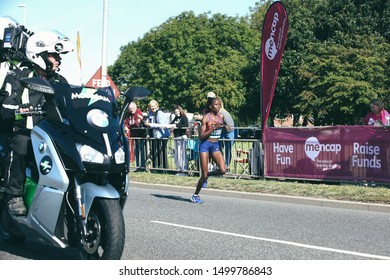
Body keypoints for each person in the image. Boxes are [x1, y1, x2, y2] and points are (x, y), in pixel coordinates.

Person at [0, 30, 73, 216]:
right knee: (21, 141)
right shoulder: (19, 75)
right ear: (38, 54)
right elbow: (6, 105)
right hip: (24, 131)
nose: (58, 59)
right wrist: (16, 110)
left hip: (51, 134)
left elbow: (70, 105)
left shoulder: (59, 80)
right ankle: (13, 194)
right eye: (54, 55)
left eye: (58, 56)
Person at [191, 97, 228, 204]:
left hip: (215, 145)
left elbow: (221, 128)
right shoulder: (206, 118)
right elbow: (201, 136)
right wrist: (213, 128)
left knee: (223, 170)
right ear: (211, 106)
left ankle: (208, 175)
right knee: (203, 174)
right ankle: (195, 195)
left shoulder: (222, 116)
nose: (218, 106)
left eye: (219, 104)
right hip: (205, 145)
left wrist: (225, 128)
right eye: (216, 104)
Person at [144, 99, 173, 168]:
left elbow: (162, 125)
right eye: (151, 106)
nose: (153, 108)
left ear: (157, 106)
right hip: (155, 135)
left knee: (162, 152)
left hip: (162, 135)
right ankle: (156, 166)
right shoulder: (150, 114)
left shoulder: (160, 113)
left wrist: (150, 124)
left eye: (154, 106)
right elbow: (147, 121)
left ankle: (164, 167)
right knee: (154, 151)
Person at [124, 102, 146, 171]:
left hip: (140, 134)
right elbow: (126, 123)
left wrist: (131, 126)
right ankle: (137, 166)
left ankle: (143, 167)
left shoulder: (138, 112)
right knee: (136, 151)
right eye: (130, 108)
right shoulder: (128, 115)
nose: (131, 110)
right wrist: (126, 127)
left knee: (142, 151)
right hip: (133, 135)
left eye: (132, 108)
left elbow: (137, 123)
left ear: (135, 107)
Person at [170, 105, 189, 175]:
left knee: (182, 154)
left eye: (177, 111)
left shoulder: (184, 118)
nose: (176, 113)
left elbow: (185, 125)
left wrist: (176, 126)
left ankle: (184, 170)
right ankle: (178, 169)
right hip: (176, 137)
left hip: (182, 137)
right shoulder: (175, 118)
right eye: (175, 111)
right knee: (177, 155)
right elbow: (171, 124)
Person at [217, 97, 235, 170]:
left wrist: (220, 125)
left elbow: (229, 126)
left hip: (229, 132)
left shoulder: (224, 113)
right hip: (222, 132)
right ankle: (221, 164)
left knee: (228, 149)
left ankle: (227, 165)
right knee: (218, 148)